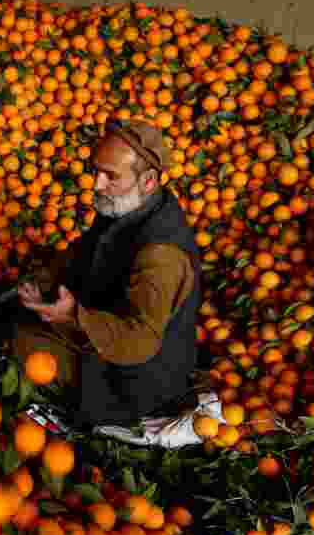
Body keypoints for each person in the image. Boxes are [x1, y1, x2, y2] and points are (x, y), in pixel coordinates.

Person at [13, 120, 202, 428]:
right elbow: (87, 249)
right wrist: (45, 277)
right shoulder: (127, 206)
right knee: (19, 321)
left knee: (22, 345)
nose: (97, 185)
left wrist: (74, 316)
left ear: (149, 181)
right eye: (95, 172)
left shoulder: (161, 255)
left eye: (110, 176)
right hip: (108, 323)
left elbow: (140, 339)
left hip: (138, 379)